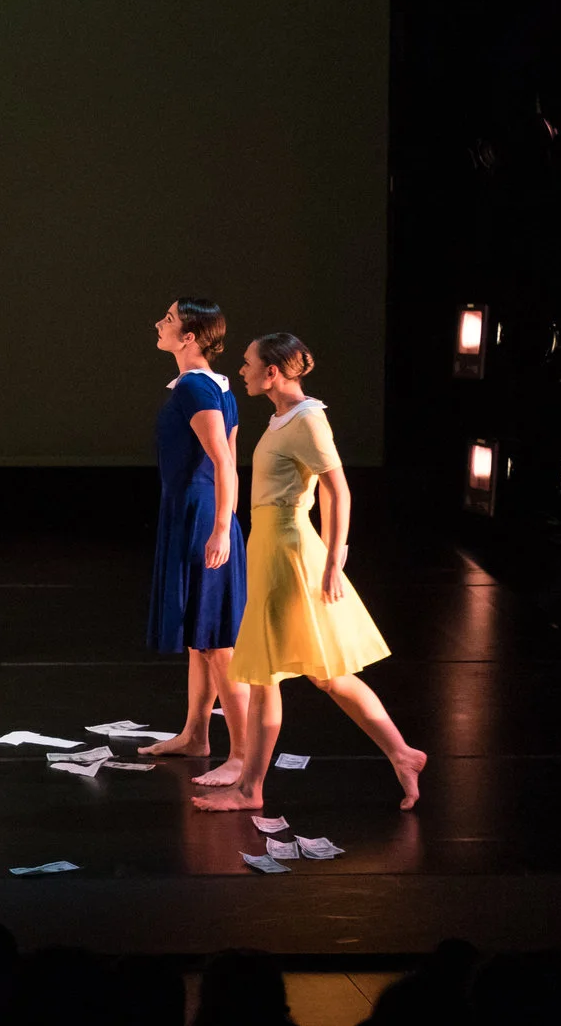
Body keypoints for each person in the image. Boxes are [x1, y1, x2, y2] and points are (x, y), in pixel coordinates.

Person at [194, 333, 426, 812]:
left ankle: (250, 789)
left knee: (269, 674)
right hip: (272, 548)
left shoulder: (308, 419)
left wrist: (335, 558)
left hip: (289, 552)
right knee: (326, 674)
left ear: (272, 372)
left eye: (249, 363)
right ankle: (402, 753)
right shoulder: (283, 418)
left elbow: (337, 490)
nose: (242, 370)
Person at [138, 299, 250, 764]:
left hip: (201, 515)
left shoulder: (195, 388)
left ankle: (242, 756)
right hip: (196, 512)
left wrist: (221, 529)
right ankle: (196, 735)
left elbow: (224, 461)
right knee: (200, 639)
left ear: (189, 337)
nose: (158, 323)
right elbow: (230, 463)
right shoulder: (215, 386)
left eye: (168, 319)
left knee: (217, 642)